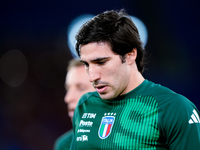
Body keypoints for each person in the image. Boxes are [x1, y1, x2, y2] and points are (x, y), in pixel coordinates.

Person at [69, 9, 200, 150]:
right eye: (86, 64)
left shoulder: (174, 108)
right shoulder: (85, 105)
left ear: (130, 55)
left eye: (101, 62)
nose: (92, 76)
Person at [54, 59, 94, 150]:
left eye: (80, 88)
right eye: (68, 89)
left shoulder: (127, 137)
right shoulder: (64, 146)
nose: (68, 98)